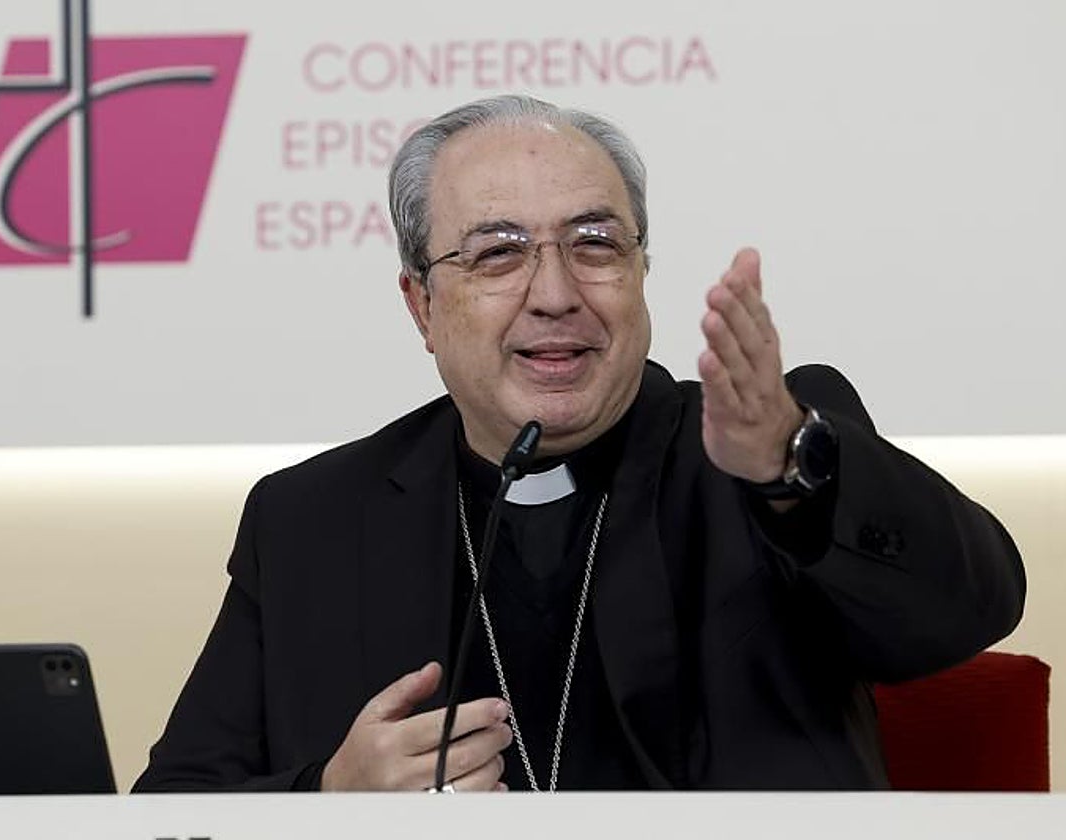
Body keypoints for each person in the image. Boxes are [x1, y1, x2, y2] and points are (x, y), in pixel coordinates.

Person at [133, 95, 1025, 792]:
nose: (556, 293)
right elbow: (175, 804)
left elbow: (968, 612)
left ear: (641, 272)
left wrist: (791, 466)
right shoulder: (312, 519)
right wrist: (328, 798)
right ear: (422, 306)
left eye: (595, 245)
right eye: (498, 254)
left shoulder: (767, 451)